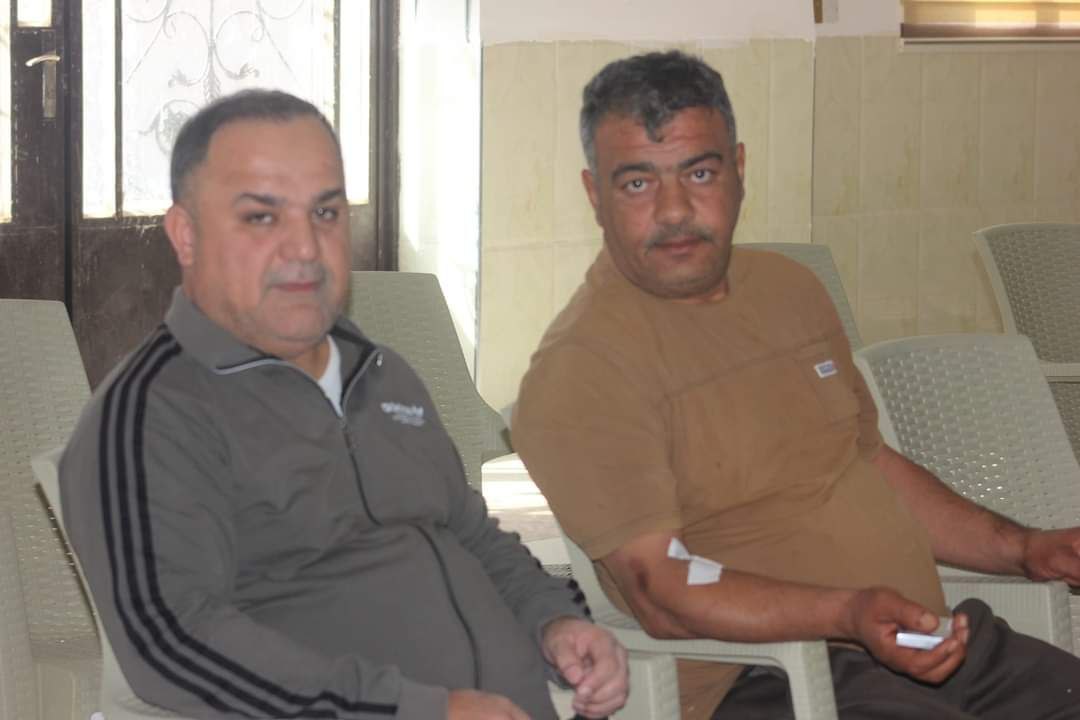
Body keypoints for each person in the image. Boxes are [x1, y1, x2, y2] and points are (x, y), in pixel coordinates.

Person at [513, 50, 1080, 720]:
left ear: (739, 170)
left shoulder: (789, 290)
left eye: (699, 173)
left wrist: (1024, 548)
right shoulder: (583, 367)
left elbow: (871, 465)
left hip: (926, 643)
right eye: (638, 183)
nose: (674, 210)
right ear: (594, 194)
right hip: (767, 679)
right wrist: (848, 612)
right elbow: (661, 591)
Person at [59, 89, 628, 720]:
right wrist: (419, 710)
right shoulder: (150, 416)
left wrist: (553, 620)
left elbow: (469, 532)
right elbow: (175, 643)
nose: (305, 246)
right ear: (185, 236)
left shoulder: (381, 376)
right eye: (261, 217)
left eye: (325, 212)